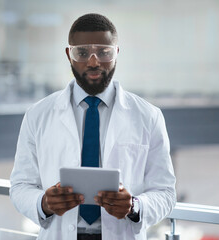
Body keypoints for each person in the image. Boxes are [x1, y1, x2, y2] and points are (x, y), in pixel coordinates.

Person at [10, 13, 176, 240]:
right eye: (83, 52)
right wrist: (44, 203)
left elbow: (165, 192)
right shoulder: (37, 115)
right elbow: (20, 186)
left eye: (104, 52)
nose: (93, 61)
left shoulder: (148, 116)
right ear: (69, 55)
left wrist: (135, 207)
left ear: (116, 53)